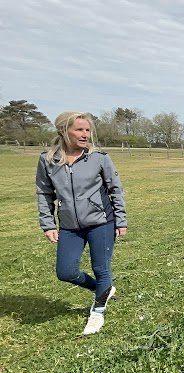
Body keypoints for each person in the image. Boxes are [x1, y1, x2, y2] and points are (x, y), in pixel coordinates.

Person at [35, 112, 128, 335]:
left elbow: (115, 189)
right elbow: (44, 192)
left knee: (101, 268)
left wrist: (121, 219)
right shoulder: (48, 160)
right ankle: (102, 290)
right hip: (69, 226)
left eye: (87, 130)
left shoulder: (99, 158)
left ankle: (97, 312)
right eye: (79, 130)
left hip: (101, 222)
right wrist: (48, 224)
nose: (85, 134)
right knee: (65, 272)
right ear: (64, 131)